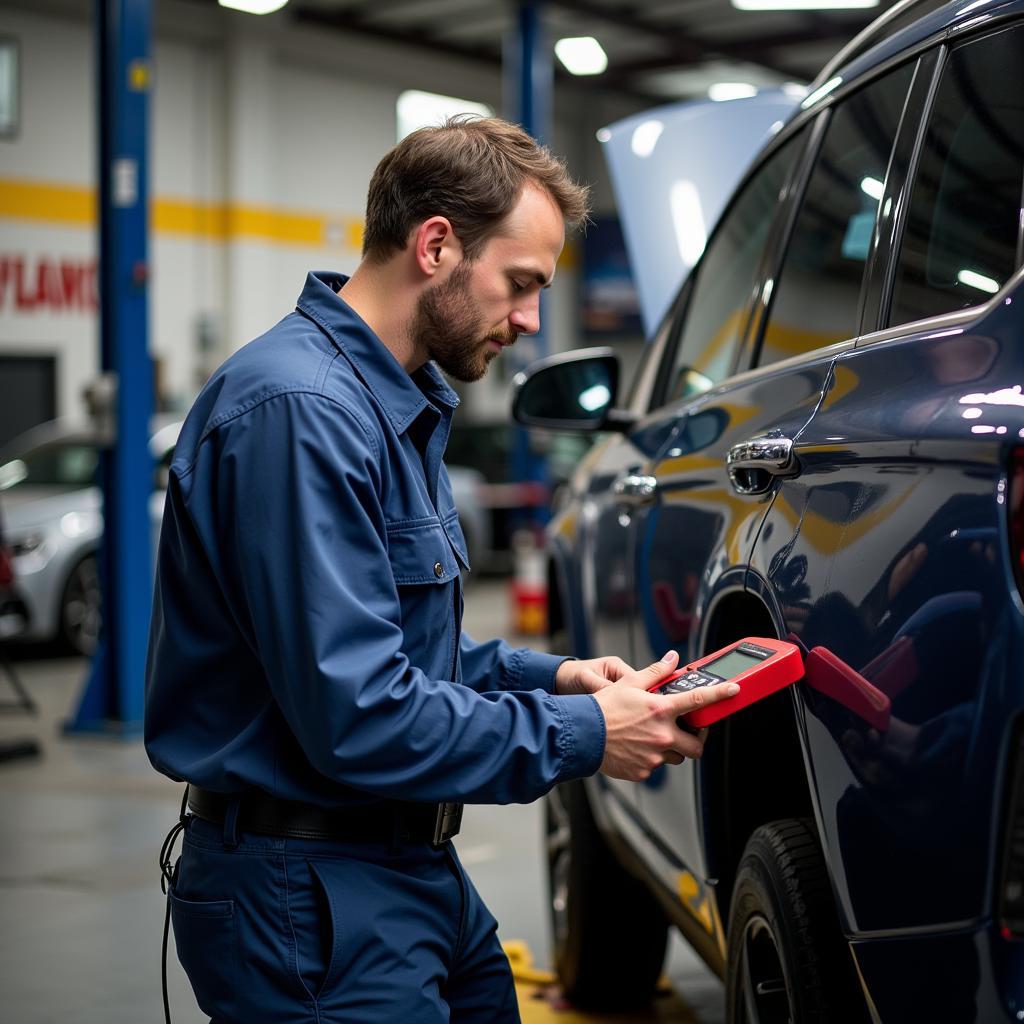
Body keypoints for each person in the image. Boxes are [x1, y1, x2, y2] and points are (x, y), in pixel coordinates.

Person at [145, 116, 738, 1024]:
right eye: (522, 284)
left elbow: (406, 655)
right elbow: (358, 714)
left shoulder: (396, 402)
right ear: (436, 246)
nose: (533, 321)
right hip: (308, 895)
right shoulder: (301, 413)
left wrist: (562, 679)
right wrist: (583, 733)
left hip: (404, 865)